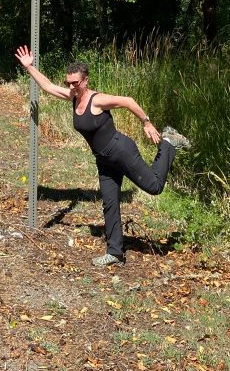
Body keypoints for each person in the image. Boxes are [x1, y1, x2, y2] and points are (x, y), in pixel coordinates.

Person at [14, 45, 191, 268]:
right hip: (104, 160)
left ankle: (168, 142)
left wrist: (147, 123)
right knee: (109, 203)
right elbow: (48, 86)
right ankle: (115, 252)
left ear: (85, 80)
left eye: (75, 83)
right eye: (69, 83)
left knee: (154, 186)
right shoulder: (72, 97)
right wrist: (30, 67)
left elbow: (128, 101)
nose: (71, 87)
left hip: (121, 151)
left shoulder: (96, 100)